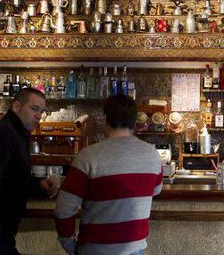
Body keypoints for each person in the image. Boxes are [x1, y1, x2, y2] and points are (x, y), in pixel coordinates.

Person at [55, 94, 163, 255]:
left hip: (94, 250)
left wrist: (69, 245)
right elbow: (156, 190)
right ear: (134, 122)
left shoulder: (87, 156)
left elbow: (63, 210)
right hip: (135, 250)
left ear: (105, 119)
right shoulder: (153, 154)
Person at [0, 88, 59, 255]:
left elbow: (13, 179)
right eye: (34, 109)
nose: (39, 116)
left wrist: (39, 184)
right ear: (16, 106)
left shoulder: (17, 133)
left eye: (41, 111)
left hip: (3, 230)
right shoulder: (5, 133)